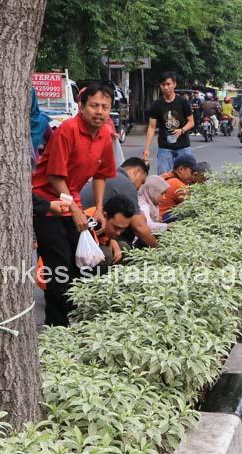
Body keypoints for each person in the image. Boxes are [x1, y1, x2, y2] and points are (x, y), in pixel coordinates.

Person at [32, 82, 118, 326]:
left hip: (73, 202)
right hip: (46, 203)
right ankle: (57, 326)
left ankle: (70, 322)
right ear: (81, 106)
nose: (99, 111)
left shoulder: (105, 135)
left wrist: (99, 209)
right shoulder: (67, 130)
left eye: (105, 107)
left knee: (83, 264)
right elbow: (54, 176)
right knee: (58, 266)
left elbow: (101, 174)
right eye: (94, 106)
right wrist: (75, 210)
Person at [143, 73, 195, 174]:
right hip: (165, 147)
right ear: (160, 86)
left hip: (183, 146)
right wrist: (147, 149)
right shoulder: (156, 104)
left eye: (168, 84)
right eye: (163, 85)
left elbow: (191, 122)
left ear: (174, 84)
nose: (166, 87)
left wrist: (182, 130)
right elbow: (151, 127)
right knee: (163, 178)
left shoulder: (183, 102)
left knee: (186, 177)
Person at [121, 157, 170, 231]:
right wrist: (168, 226)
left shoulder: (151, 204)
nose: (164, 197)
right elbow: (147, 225)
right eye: (162, 193)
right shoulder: (143, 205)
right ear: (152, 192)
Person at [158, 154, 204, 220]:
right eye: (191, 172)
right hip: (162, 218)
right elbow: (195, 204)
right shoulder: (176, 184)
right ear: (181, 169)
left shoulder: (166, 176)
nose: (192, 175)